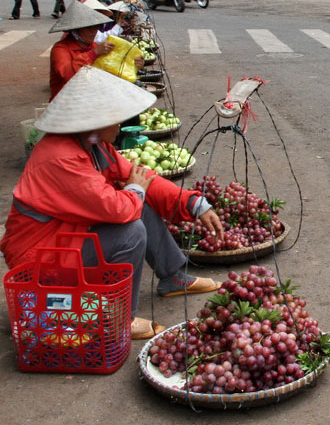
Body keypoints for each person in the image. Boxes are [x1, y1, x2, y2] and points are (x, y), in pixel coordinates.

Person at [1, 66, 223, 339]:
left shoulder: (94, 145)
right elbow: (118, 208)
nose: (119, 124)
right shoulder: (61, 157)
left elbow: (142, 177)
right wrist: (135, 190)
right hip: (39, 256)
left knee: (138, 201)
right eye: (114, 118)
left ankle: (172, 277)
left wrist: (192, 203)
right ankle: (119, 320)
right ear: (94, 121)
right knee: (131, 229)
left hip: (67, 235)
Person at [48, 0, 115, 100]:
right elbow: (67, 75)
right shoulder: (60, 49)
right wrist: (93, 54)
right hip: (65, 104)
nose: (94, 32)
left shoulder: (95, 46)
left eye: (96, 27)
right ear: (77, 29)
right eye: (89, 28)